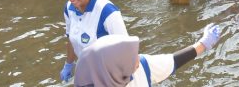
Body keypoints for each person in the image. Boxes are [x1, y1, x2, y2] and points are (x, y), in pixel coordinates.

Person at [73, 24, 221, 87]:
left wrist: (203, 43)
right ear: (115, 71)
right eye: (131, 58)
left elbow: (173, 61)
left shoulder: (141, 66)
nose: (137, 57)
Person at [58, 0, 128, 83]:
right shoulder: (69, 8)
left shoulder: (107, 12)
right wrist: (68, 64)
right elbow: (71, 39)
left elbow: (127, 51)